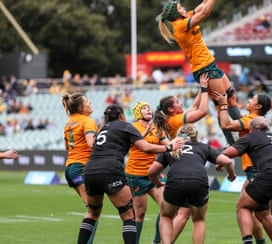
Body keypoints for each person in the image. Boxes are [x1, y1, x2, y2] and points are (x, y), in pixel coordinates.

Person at [77, 104, 184, 244]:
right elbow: (145, 147)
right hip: (112, 171)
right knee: (128, 216)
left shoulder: (103, 129)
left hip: (90, 171)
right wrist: (169, 147)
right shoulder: (126, 126)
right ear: (122, 115)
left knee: (92, 214)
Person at [158, 0, 240, 145]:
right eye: (180, 7)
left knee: (231, 97)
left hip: (209, 64)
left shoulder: (183, 18)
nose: (183, 8)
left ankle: (245, 131)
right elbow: (204, 13)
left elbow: (201, 6)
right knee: (221, 104)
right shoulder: (180, 26)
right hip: (204, 68)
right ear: (175, 13)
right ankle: (233, 143)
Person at [148, 123, 236, 244]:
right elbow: (228, 162)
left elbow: (151, 171)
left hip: (176, 181)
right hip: (198, 182)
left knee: (166, 216)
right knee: (199, 220)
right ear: (196, 136)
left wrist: (157, 183)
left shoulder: (171, 148)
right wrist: (231, 175)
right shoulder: (203, 147)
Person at [151, 73, 209, 242]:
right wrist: (205, 89)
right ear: (171, 109)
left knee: (180, 213)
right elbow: (203, 111)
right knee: (183, 215)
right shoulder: (176, 120)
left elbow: (193, 106)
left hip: (178, 164)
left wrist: (203, 89)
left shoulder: (173, 119)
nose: (180, 102)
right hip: (186, 164)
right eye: (177, 102)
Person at [213, 92, 272, 244]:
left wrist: (223, 105)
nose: (248, 100)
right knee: (254, 211)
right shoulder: (255, 120)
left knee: (258, 213)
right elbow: (236, 117)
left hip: (257, 171)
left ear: (258, 106)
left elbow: (226, 125)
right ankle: (261, 241)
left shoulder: (251, 120)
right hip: (257, 171)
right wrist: (230, 101)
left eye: (252, 99)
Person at [221, 117, 272, 244]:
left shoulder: (251, 137)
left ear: (251, 129)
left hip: (268, 173)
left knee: (243, 206)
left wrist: (220, 162)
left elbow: (227, 153)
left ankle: (248, 241)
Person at [125, 101, 168, 244]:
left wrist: (180, 145)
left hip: (152, 174)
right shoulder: (132, 127)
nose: (148, 109)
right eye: (144, 108)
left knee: (166, 205)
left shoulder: (158, 128)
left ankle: (156, 241)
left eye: (149, 108)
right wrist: (145, 132)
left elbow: (168, 144)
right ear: (138, 113)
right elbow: (138, 146)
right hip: (135, 174)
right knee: (140, 213)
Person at [62, 92, 99, 244]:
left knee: (92, 209)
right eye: (87, 101)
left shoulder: (69, 122)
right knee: (93, 211)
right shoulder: (87, 121)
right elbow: (91, 143)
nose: (90, 103)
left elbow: (68, 148)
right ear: (81, 107)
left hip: (70, 169)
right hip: (81, 169)